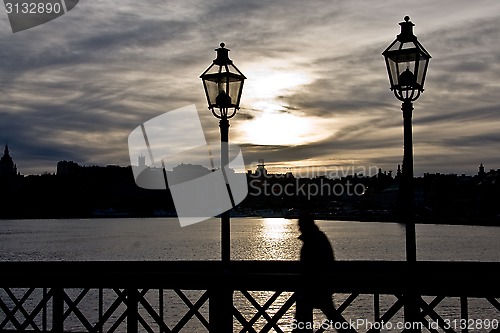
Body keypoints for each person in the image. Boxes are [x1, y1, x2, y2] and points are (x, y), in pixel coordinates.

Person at [294, 212, 356, 333]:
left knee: (308, 316)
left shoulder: (312, 240)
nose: (299, 228)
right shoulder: (319, 237)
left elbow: (310, 265)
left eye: (301, 225)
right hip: (321, 284)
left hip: (315, 285)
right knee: (331, 315)